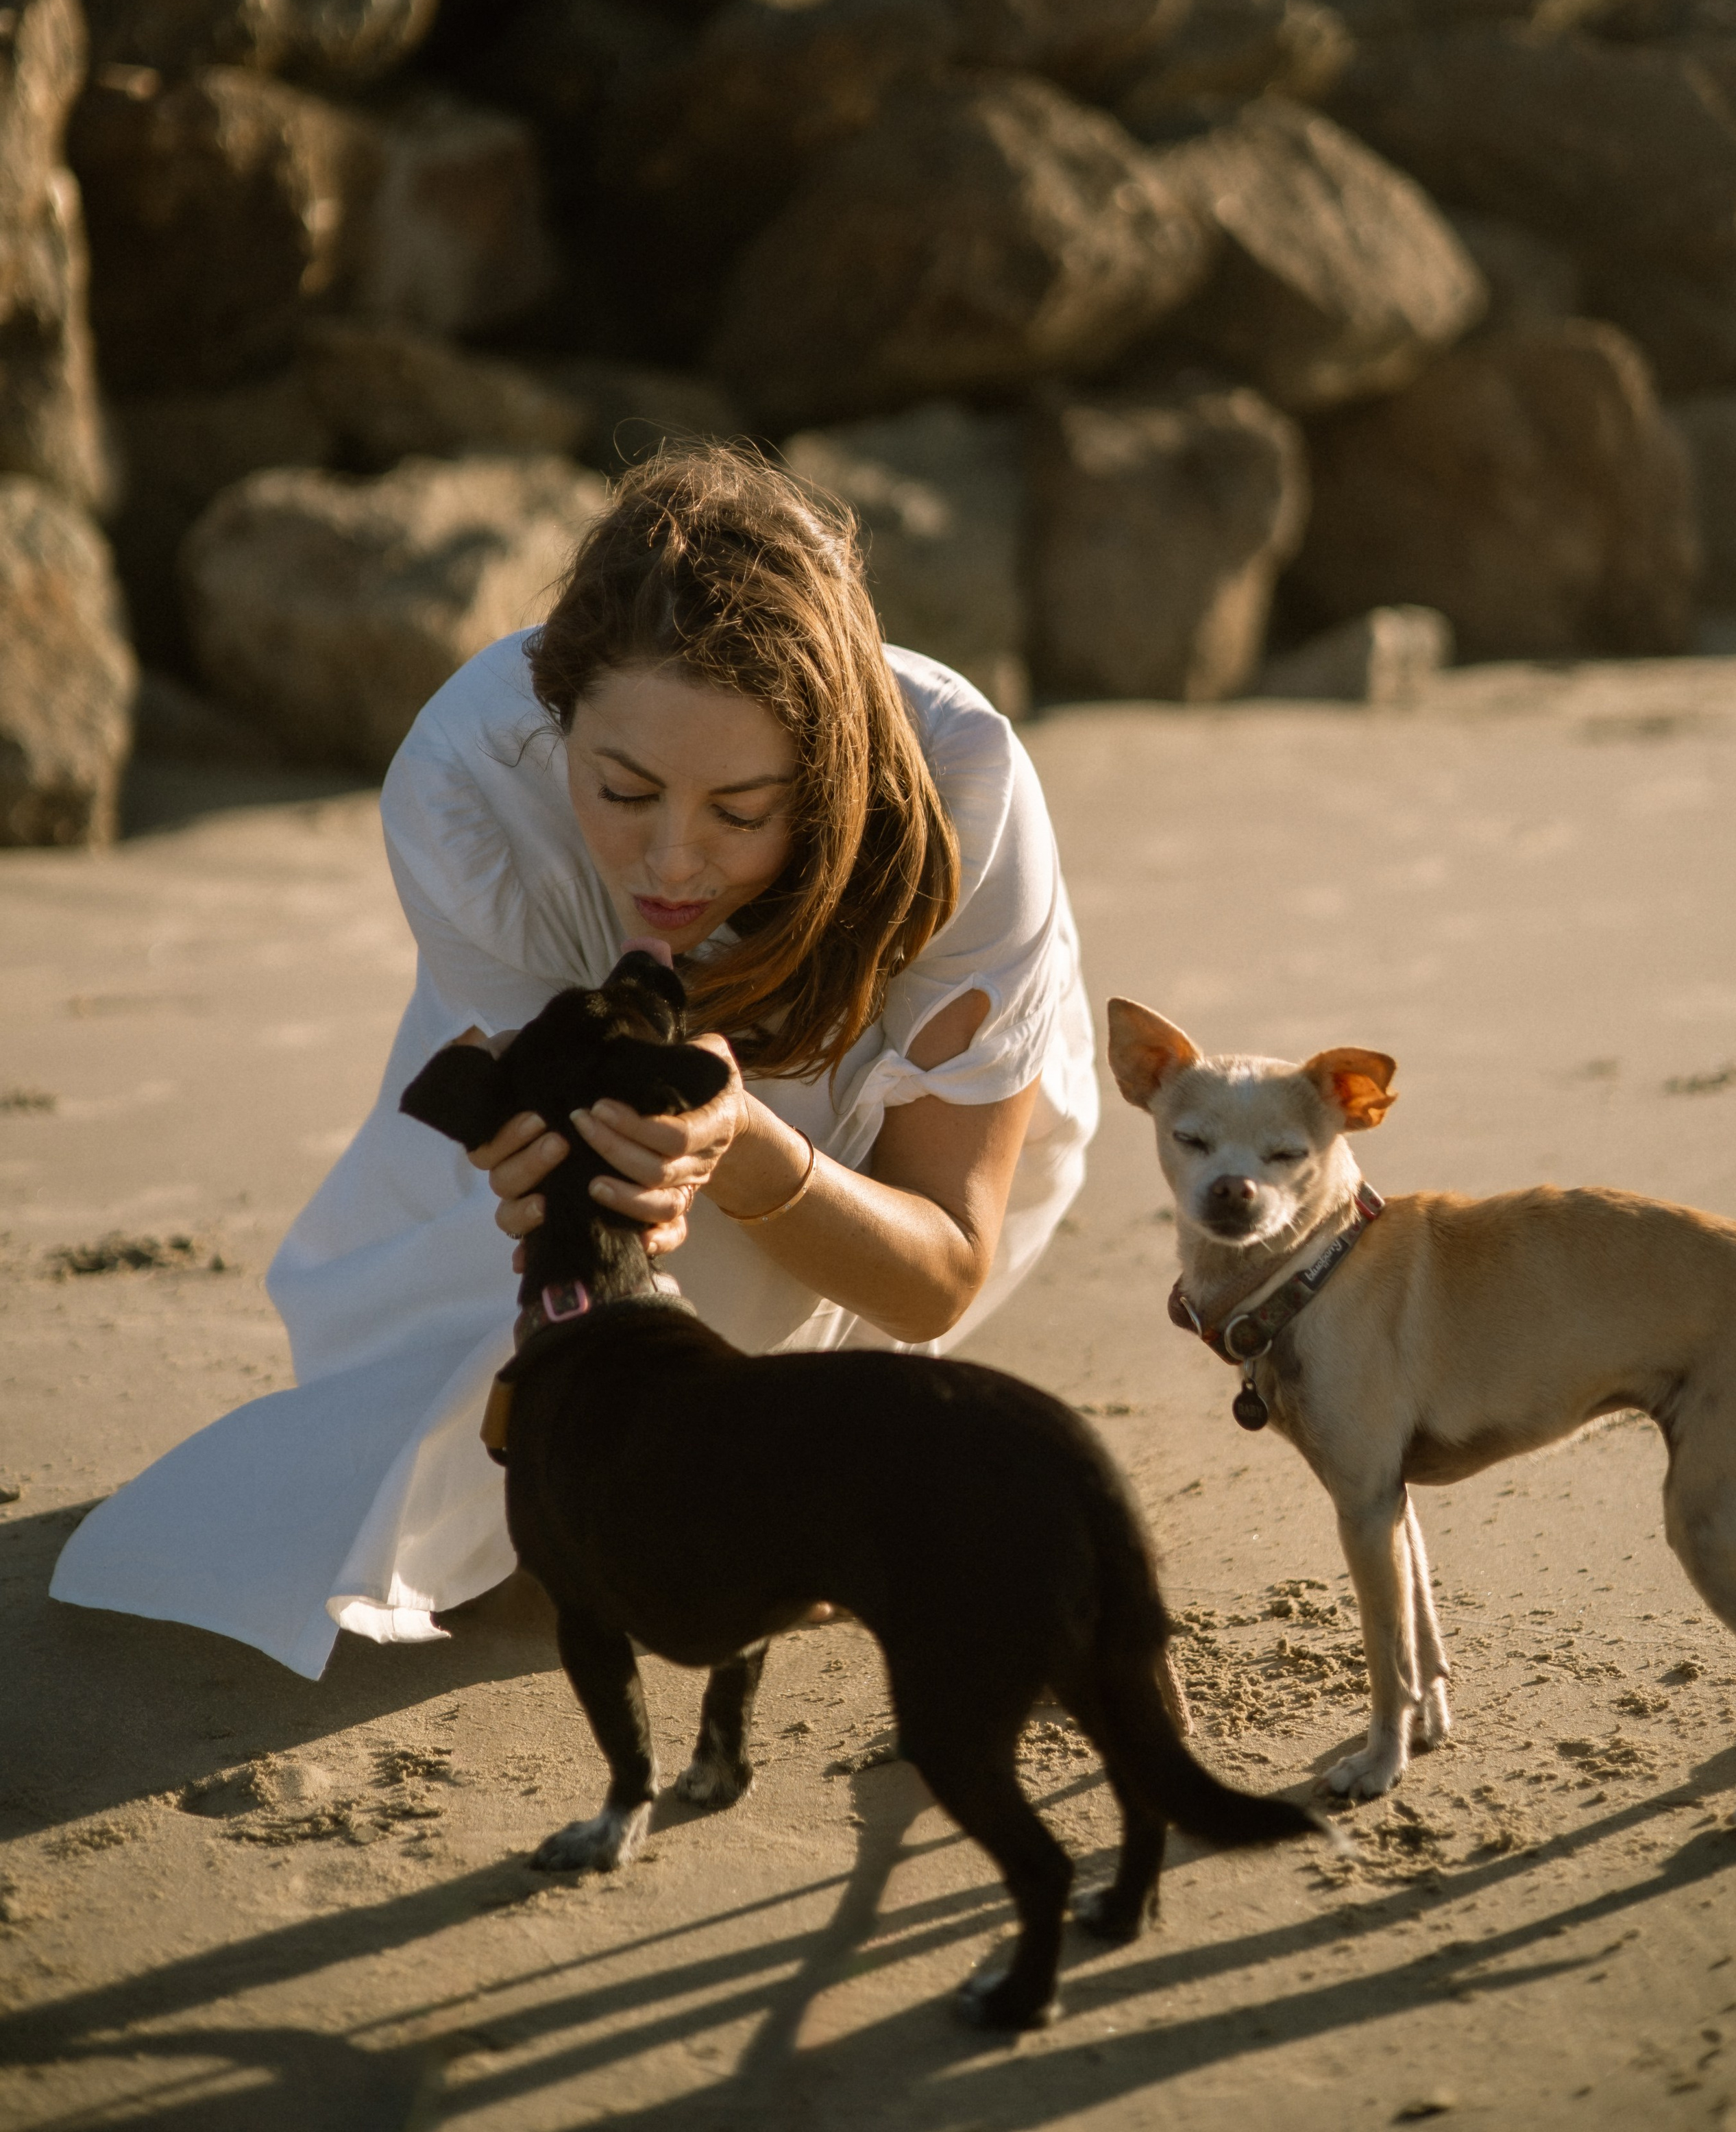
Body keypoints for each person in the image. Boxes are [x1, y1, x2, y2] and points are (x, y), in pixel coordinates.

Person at [52, 450, 1099, 1678]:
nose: (673, 861)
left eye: (740, 811)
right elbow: (566, 1164)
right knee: (454, 1464)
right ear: (559, 724)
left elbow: (937, 1275)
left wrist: (749, 1147)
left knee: (718, 1448)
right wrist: (547, 1158)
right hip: (596, 1175)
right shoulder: (471, 779)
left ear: (824, 775)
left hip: (861, 1178)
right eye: (623, 789)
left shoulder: (964, 796)